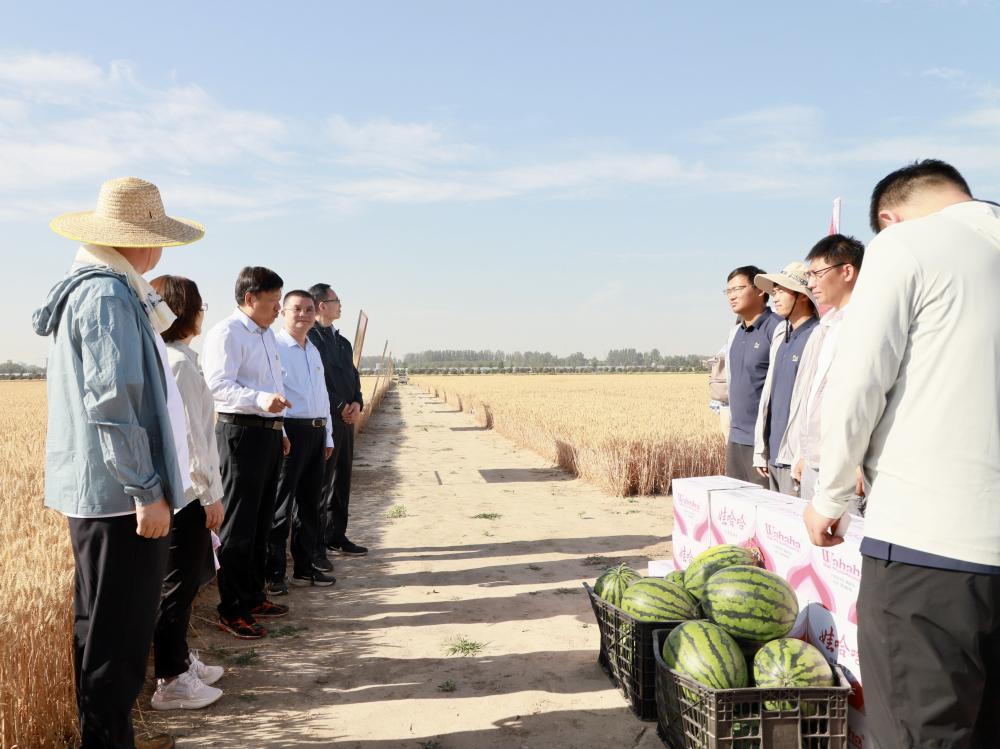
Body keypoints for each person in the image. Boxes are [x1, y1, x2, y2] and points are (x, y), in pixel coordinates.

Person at [806, 159, 1000, 746]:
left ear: (888, 219)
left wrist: (830, 496)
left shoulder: (906, 245)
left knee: (922, 732)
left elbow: (858, 383)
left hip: (932, 551)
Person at [33, 176, 202, 749]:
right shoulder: (108, 296)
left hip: (107, 497)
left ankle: (106, 737)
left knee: (101, 628)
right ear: (140, 240)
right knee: (119, 640)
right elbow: (113, 403)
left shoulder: (102, 287)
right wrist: (146, 489)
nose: (160, 251)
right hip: (122, 501)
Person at [148, 275, 226, 711]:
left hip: (187, 492)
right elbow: (191, 438)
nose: (202, 313)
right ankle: (171, 679)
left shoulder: (177, 358)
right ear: (185, 312)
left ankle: (179, 660)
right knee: (177, 586)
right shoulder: (177, 363)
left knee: (188, 579)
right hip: (188, 494)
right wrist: (209, 494)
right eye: (199, 305)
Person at [202, 266, 292, 639]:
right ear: (249, 298)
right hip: (240, 435)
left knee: (260, 522)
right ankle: (232, 608)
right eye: (272, 302)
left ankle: (254, 596)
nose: (277, 309)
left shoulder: (267, 335)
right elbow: (217, 386)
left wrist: (280, 428)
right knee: (238, 526)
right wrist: (260, 400)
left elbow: (273, 386)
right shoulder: (227, 333)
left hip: (267, 435)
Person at [266, 290, 337, 593]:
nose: (304, 315)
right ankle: (274, 574)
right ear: (283, 313)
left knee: (310, 505)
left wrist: (328, 434)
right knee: (281, 506)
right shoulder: (274, 347)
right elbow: (271, 391)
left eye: (309, 310)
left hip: (317, 432)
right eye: (296, 309)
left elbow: (322, 395)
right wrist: (281, 432)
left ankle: (305, 569)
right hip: (291, 432)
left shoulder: (313, 350)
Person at [790, 235, 864, 502]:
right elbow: (811, 395)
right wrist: (804, 453)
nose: (811, 283)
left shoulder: (867, 324)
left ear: (847, 271)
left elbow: (868, 396)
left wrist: (860, 460)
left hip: (848, 467)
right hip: (816, 461)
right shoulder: (827, 326)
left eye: (817, 274)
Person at [308, 283, 368, 557]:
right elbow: (316, 381)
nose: (340, 305)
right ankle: (317, 543)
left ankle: (336, 535)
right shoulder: (310, 340)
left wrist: (357, 402)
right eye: (336, 301)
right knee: (322, 483)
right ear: (322, 305)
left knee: (342, 480)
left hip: (346, 421)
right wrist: (340, 405)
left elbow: (353, 376)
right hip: (325, 421)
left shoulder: (341, 342)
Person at [751, 263, 819, 495]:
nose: (775, 297)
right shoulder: (781, 335)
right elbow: (768, 396)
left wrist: (804, 454)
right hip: (774, 453)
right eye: (774, 291)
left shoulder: (817, 335)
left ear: (802, 295)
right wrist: (761, 450)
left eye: (781, 290)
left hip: (797, 459)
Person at [722, 265, 779, 487]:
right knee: (735, 501)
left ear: (760, 290)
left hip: (765, 443)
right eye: (728, 291)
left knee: (765, 502)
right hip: (736, 438)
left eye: (738, 288)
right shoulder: (734, 333)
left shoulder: (776, 328)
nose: (732, 296)